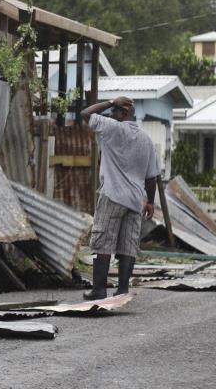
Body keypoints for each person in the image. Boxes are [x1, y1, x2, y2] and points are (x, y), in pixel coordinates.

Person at [80, 96, 160, 299]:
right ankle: (122, 289)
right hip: (134, 201)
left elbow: (86, 114)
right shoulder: (147, 140)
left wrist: (109, 101)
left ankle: (99, 290)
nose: (111, 115)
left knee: (103, 241)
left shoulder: (113, 128)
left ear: (123, 113)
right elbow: (152, 177)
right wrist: (150, 201)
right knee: (127, 245)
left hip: (112, 195)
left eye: (114, 111)